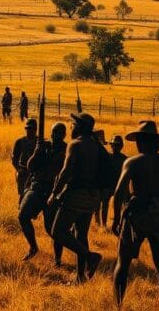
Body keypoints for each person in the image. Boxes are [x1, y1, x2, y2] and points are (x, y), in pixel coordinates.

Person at [112, 120, 159, 310]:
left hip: (136, 216)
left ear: (142, 141)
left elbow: (120, 190)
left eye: (138, 140)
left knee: (123, 261)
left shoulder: (133, 162)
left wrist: (117, 217)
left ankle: (118, 305)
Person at [50, 113, 103, 283]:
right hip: (92, 196)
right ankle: (80, 277)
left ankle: (90, 257)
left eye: (72, 124)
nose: (70, 127)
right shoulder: (96, 145)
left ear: (79, 127)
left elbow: (65, 172)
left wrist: (54, 193)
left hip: (76, 195)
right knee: (81, 235)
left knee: (57, 231)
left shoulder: (75, 144)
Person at [19, 123, 67, 262]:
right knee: (23, 216)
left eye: (58, 133)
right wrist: (37, 151)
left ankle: (58, 259)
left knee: (53, 228)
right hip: (37, 187)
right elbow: (30, 166)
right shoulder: (43, 146)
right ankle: (33, 248)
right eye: (53, 132)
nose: (54, 135)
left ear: (64, 134)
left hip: (54, 191)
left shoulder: (67, 150)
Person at [98, 134, 126, 227]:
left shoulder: (124, 159)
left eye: (117, 145)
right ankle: (103, 225)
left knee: (122, 206)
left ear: (121, 146)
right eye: (113, 144)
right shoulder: (107, 157)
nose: (115, 147)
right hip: (107, 185)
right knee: (104, 205)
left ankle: (120, 224)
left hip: (119, 186)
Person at [12, 119, 39, 203]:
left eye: (31, 128)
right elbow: (14, 158)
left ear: (35, 129)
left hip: (36, 173)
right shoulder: (19, 142)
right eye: (27, 128)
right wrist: (19, 169)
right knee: (23, 195)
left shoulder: (40, 142)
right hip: (23, 172)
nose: (29, 131)